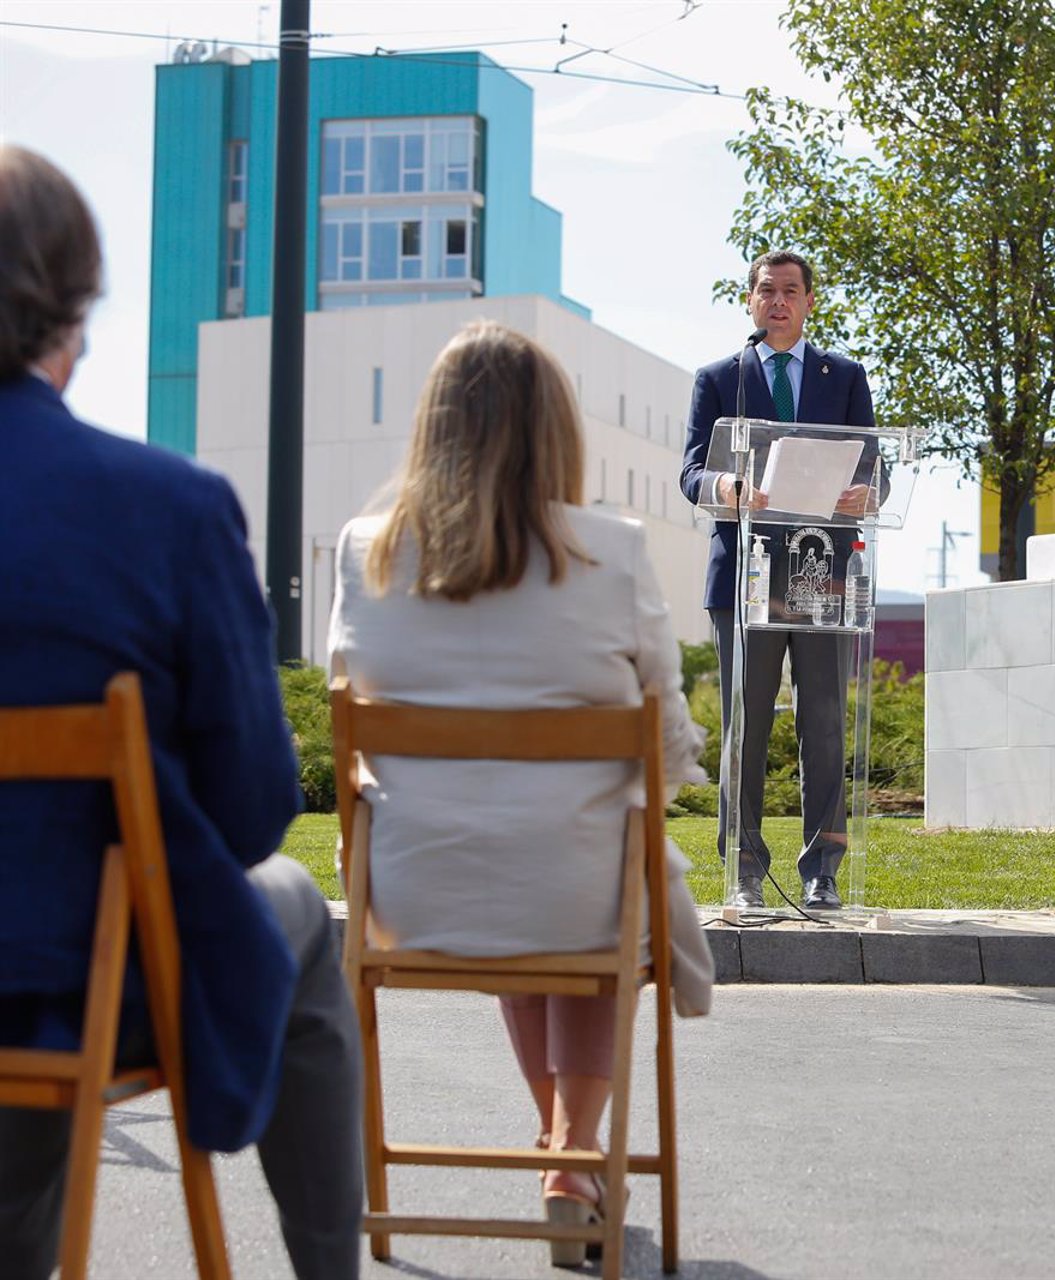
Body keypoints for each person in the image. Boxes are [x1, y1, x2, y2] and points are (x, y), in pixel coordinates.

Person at [0, 144, 364, 1279]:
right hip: (80, 985)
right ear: (78, 308)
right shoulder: (168, 508)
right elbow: (253, 810)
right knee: (297, 909)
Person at [330, 319, 715, 1265]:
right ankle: (573, 1155)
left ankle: (563, 1148)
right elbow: (666, 737)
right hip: (574, 888)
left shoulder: (366, 551)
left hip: (415, 892)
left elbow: (346, 699)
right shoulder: (610, 552)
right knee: (586, 868)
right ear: (556, 429)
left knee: (530, 861)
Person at [680, 249, 877, 910]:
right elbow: (691, 472)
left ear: (810, 301)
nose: (779, 301)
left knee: (823, 724)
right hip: (745, 575)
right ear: (750, 300)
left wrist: (867, 492)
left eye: (791, 291)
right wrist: (726, 486)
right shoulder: (720, 379)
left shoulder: (844, 377)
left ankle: (823, 870)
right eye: (767, 290)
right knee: (747, 726)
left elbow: (873, 467)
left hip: (821, 574)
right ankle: (744, 872)